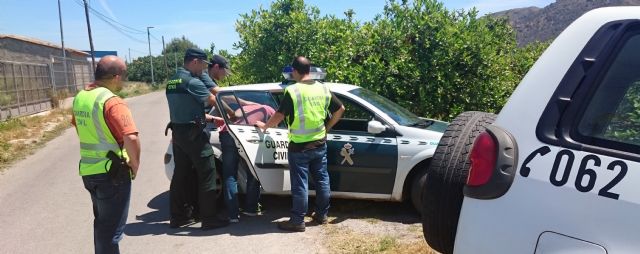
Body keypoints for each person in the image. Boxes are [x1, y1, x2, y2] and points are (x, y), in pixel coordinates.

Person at [256, 56, 345, 232]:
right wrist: (327, 128)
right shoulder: (323, 88)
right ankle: (322, 215)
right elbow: (340, 109)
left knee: (300, 184)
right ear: (309, 70)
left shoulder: (293, 90)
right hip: (320, 143)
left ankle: (297, 221)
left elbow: (279, 116)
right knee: (322, 179)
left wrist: (265, 126)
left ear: (294, 71)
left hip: (299, 147)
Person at [71, 55, 141, 253]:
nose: (125, 81)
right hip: (112, 174)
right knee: (110, 233)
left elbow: (80, 130)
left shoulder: (81, 97)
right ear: (116, 77)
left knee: (102, 227)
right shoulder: (112, 101)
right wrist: (134, 166)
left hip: (89, 172)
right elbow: (132, 138)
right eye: (124, 76)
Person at [165, 48, 228, 230]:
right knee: (208, 171)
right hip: (193, 134)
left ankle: (178, 217)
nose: (203, 69)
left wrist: (212, 118)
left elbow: (188, 109)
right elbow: (214, 100)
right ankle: (209, 218)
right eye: (202, 64)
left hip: (178, 133)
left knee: (180, 175)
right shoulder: (192, 81)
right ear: (194, 61)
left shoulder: (172, 81)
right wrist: (232, 114)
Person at [217, 94, 274, 223]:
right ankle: (251, 208)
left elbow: (229, 103)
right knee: (253, 172)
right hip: (249, 135)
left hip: (228, 133)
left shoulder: (243, 107)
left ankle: (233, 215)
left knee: (230, 175)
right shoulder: (269, 109)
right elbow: (276, 125)